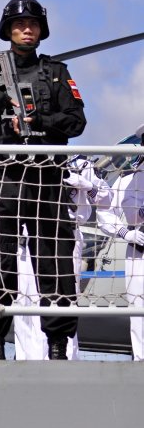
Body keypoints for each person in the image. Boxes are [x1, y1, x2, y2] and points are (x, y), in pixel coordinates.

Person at [0, 0, 86, 360]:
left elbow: (76, 122)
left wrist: (38, 122)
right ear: (8, 31)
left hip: (47, 177)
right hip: (3, 177)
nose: (26, 30)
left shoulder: (57, 72)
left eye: (32, 24)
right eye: (19, 25)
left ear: (41, 30)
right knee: (0, 263)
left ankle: (58, 343)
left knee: (55, 263)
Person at [13, 156, 109, 360]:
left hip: (67, 232)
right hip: (30, 235)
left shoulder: (80, 163)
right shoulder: (24, 160)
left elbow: (106, 198)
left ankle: (64, 358)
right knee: (27, 302)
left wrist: (87, 185)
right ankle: (27, 363)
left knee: (65, 298)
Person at [97, 123, 144, 360]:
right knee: (138, 308)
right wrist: (126, 232)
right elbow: (104, 213)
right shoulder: (127, 181)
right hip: (139, 251)